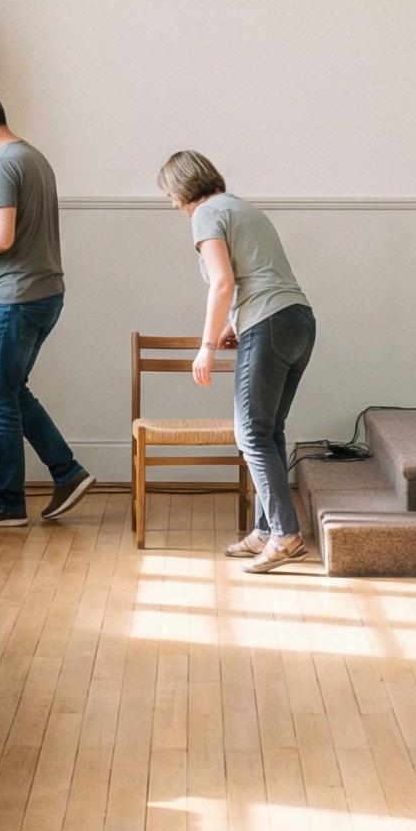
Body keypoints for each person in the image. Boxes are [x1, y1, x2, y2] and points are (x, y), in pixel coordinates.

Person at [0, 88, 97, 529]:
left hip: (18, 299)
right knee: (12, 391)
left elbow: (2, 237)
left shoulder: (3, 165)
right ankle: (67, 473)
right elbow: (15, 236)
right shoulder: (34, 158)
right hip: (47, 294)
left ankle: (9, 502)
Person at [157, 151, 317, 574]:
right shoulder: (244, 207)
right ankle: (266, 530)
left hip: (268, 324)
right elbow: (258, 274)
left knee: (250, 434)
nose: (172, 204)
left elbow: (224, 281)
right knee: (269, 432)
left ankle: (285, 534)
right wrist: (234, 325)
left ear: (184, 187)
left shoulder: (205, 213)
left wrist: (207, 345)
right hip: (298, 321)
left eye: (171, 193)